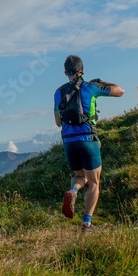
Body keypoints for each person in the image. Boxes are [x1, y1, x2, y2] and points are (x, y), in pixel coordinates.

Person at [53, 55, 123, 230]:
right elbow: (120, 91)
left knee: (79, 176)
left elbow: (58, 122)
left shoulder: (58, 92)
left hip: (69, 142)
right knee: (94, 181)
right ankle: (86, 222)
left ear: (65, 73)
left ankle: (73, 191)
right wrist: (101, 81)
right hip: (88, 139)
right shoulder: (91, 87)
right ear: (82, 70)